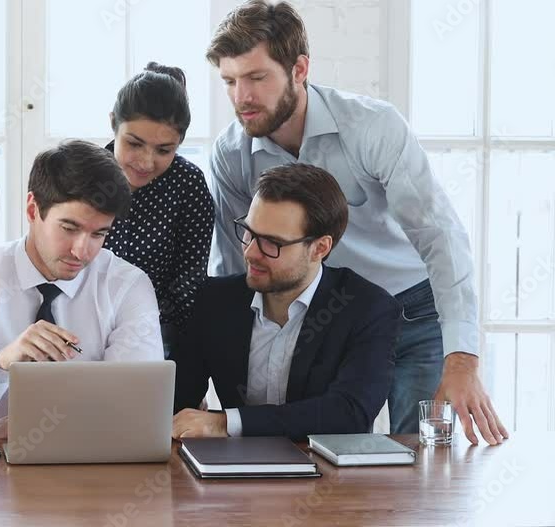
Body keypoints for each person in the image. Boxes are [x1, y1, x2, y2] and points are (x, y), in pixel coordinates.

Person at [204, 0, 507, 444]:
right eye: (229, 81)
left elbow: (439, 236)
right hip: (322, 320)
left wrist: (462, 358)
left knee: (420, 457)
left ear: (299, 69)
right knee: (319, 450)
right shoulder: (231, 155)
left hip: (412, 312)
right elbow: (235, 264)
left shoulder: (372, 127)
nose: (240, 97)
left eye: (256, 78)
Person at [0, 140, 164, 439]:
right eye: (69, 228)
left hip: (90, 470)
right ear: (33, 209)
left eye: (99, 234)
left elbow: (138, 408)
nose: (82, 251)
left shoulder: (128, 287)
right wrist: (1, 365)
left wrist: (39, 432)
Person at [173, 164, 399, 440]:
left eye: (271, 243)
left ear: (319, 248)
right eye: (249, 232)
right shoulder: (214, 301)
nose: (251, 253)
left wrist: (225, 423)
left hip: (329, 476)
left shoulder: (368, 308)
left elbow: (348, 413)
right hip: (231, 472)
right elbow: (177, 401)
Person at [104, 62, 214, 357]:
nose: (146, 161)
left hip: (161, 331)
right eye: (134, 144)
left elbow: (190, 279)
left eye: (164, 150)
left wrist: (144, 329)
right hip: (83, 326)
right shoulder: (83, 177)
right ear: (114, 122)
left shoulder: (189, 184)